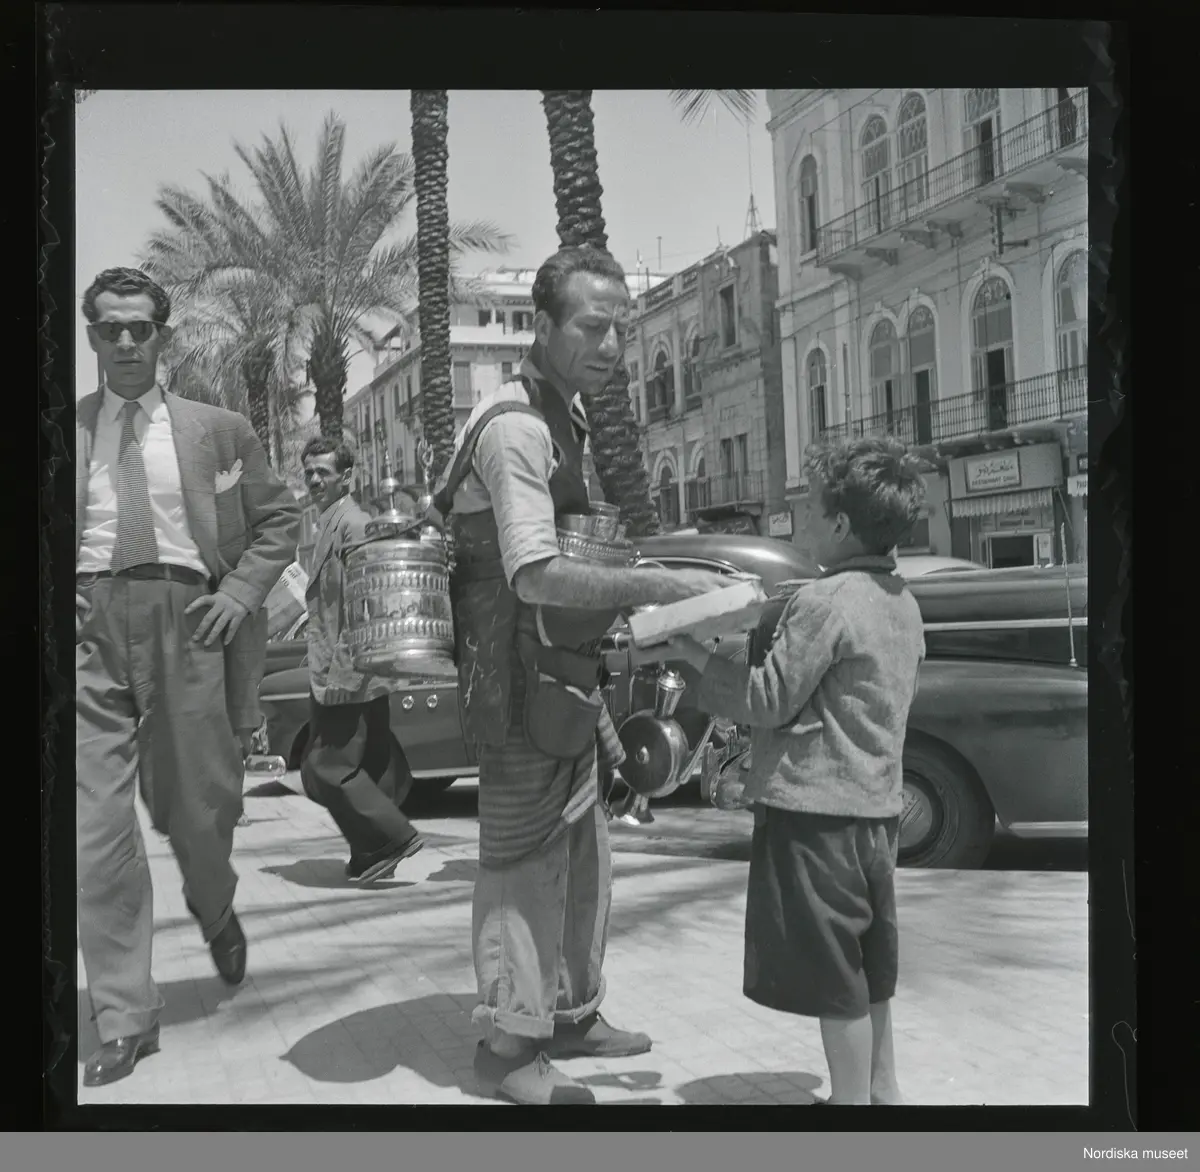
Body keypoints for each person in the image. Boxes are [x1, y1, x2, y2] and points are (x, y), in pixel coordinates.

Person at [430, 245, 732, 1105]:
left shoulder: (565, 418)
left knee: (584, 856)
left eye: (620, 330)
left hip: (565, 681)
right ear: (543, 326)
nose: (611, 346)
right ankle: (508, 1049)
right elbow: (534, 574)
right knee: (521, 865)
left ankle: (570, 1014)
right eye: (593, 328)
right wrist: (664, 585)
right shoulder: (518, 429)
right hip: (517, 691)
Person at [76, 267, 301, 1087]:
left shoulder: (218, 429)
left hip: (190, 622)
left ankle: (214, 903)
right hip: (87, 631)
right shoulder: (61, 431)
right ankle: (125, 1018)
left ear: (162, 335)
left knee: (200, 810)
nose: (124, 341)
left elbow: (279, 520)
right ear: (90, 337)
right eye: (108, 328)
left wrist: (238, 595)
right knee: (91, 834)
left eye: (139, 327)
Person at [666, 437, 927, 1106]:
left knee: (835, 973)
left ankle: (850, 1106)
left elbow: (767, 700)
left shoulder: (826, 600)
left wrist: (691, 653)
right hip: (876, 812)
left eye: (809, 508)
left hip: (817, 815)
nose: (801, 519)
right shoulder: (901, 600)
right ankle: (883, 1091)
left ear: (839, 524)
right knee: (869, 963)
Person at [297, 436, 425, 884]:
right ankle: (369, 855)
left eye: (323, 472)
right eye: (309, 472)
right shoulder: (331, 524)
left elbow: (363, 603)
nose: (314, 480)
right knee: (369, 765)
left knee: (323, 767)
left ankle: (393, 837)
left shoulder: (352, 524)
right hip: (356, 671)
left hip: (347, 671)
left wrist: (343, 673)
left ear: (346, 477)